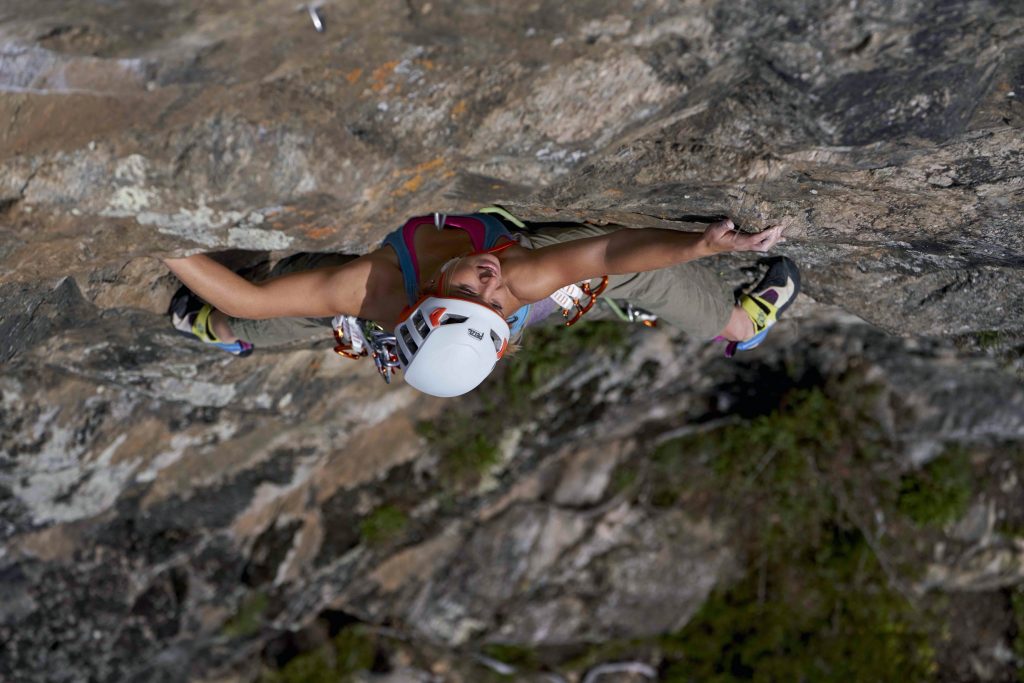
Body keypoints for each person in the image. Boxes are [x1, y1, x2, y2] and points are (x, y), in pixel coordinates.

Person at [164, 208, 799, 397]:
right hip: (521, 314)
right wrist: (696, 246)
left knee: (303, 303)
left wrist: (155, 234)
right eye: (488, 296)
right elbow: (608, 255)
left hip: (431, 322)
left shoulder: (376, 291)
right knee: (616, 279)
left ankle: (218, 334)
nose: (490, 278)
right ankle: (744, 321)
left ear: (429, 292)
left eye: (472, 287)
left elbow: (249, 297)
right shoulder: (516, 284)